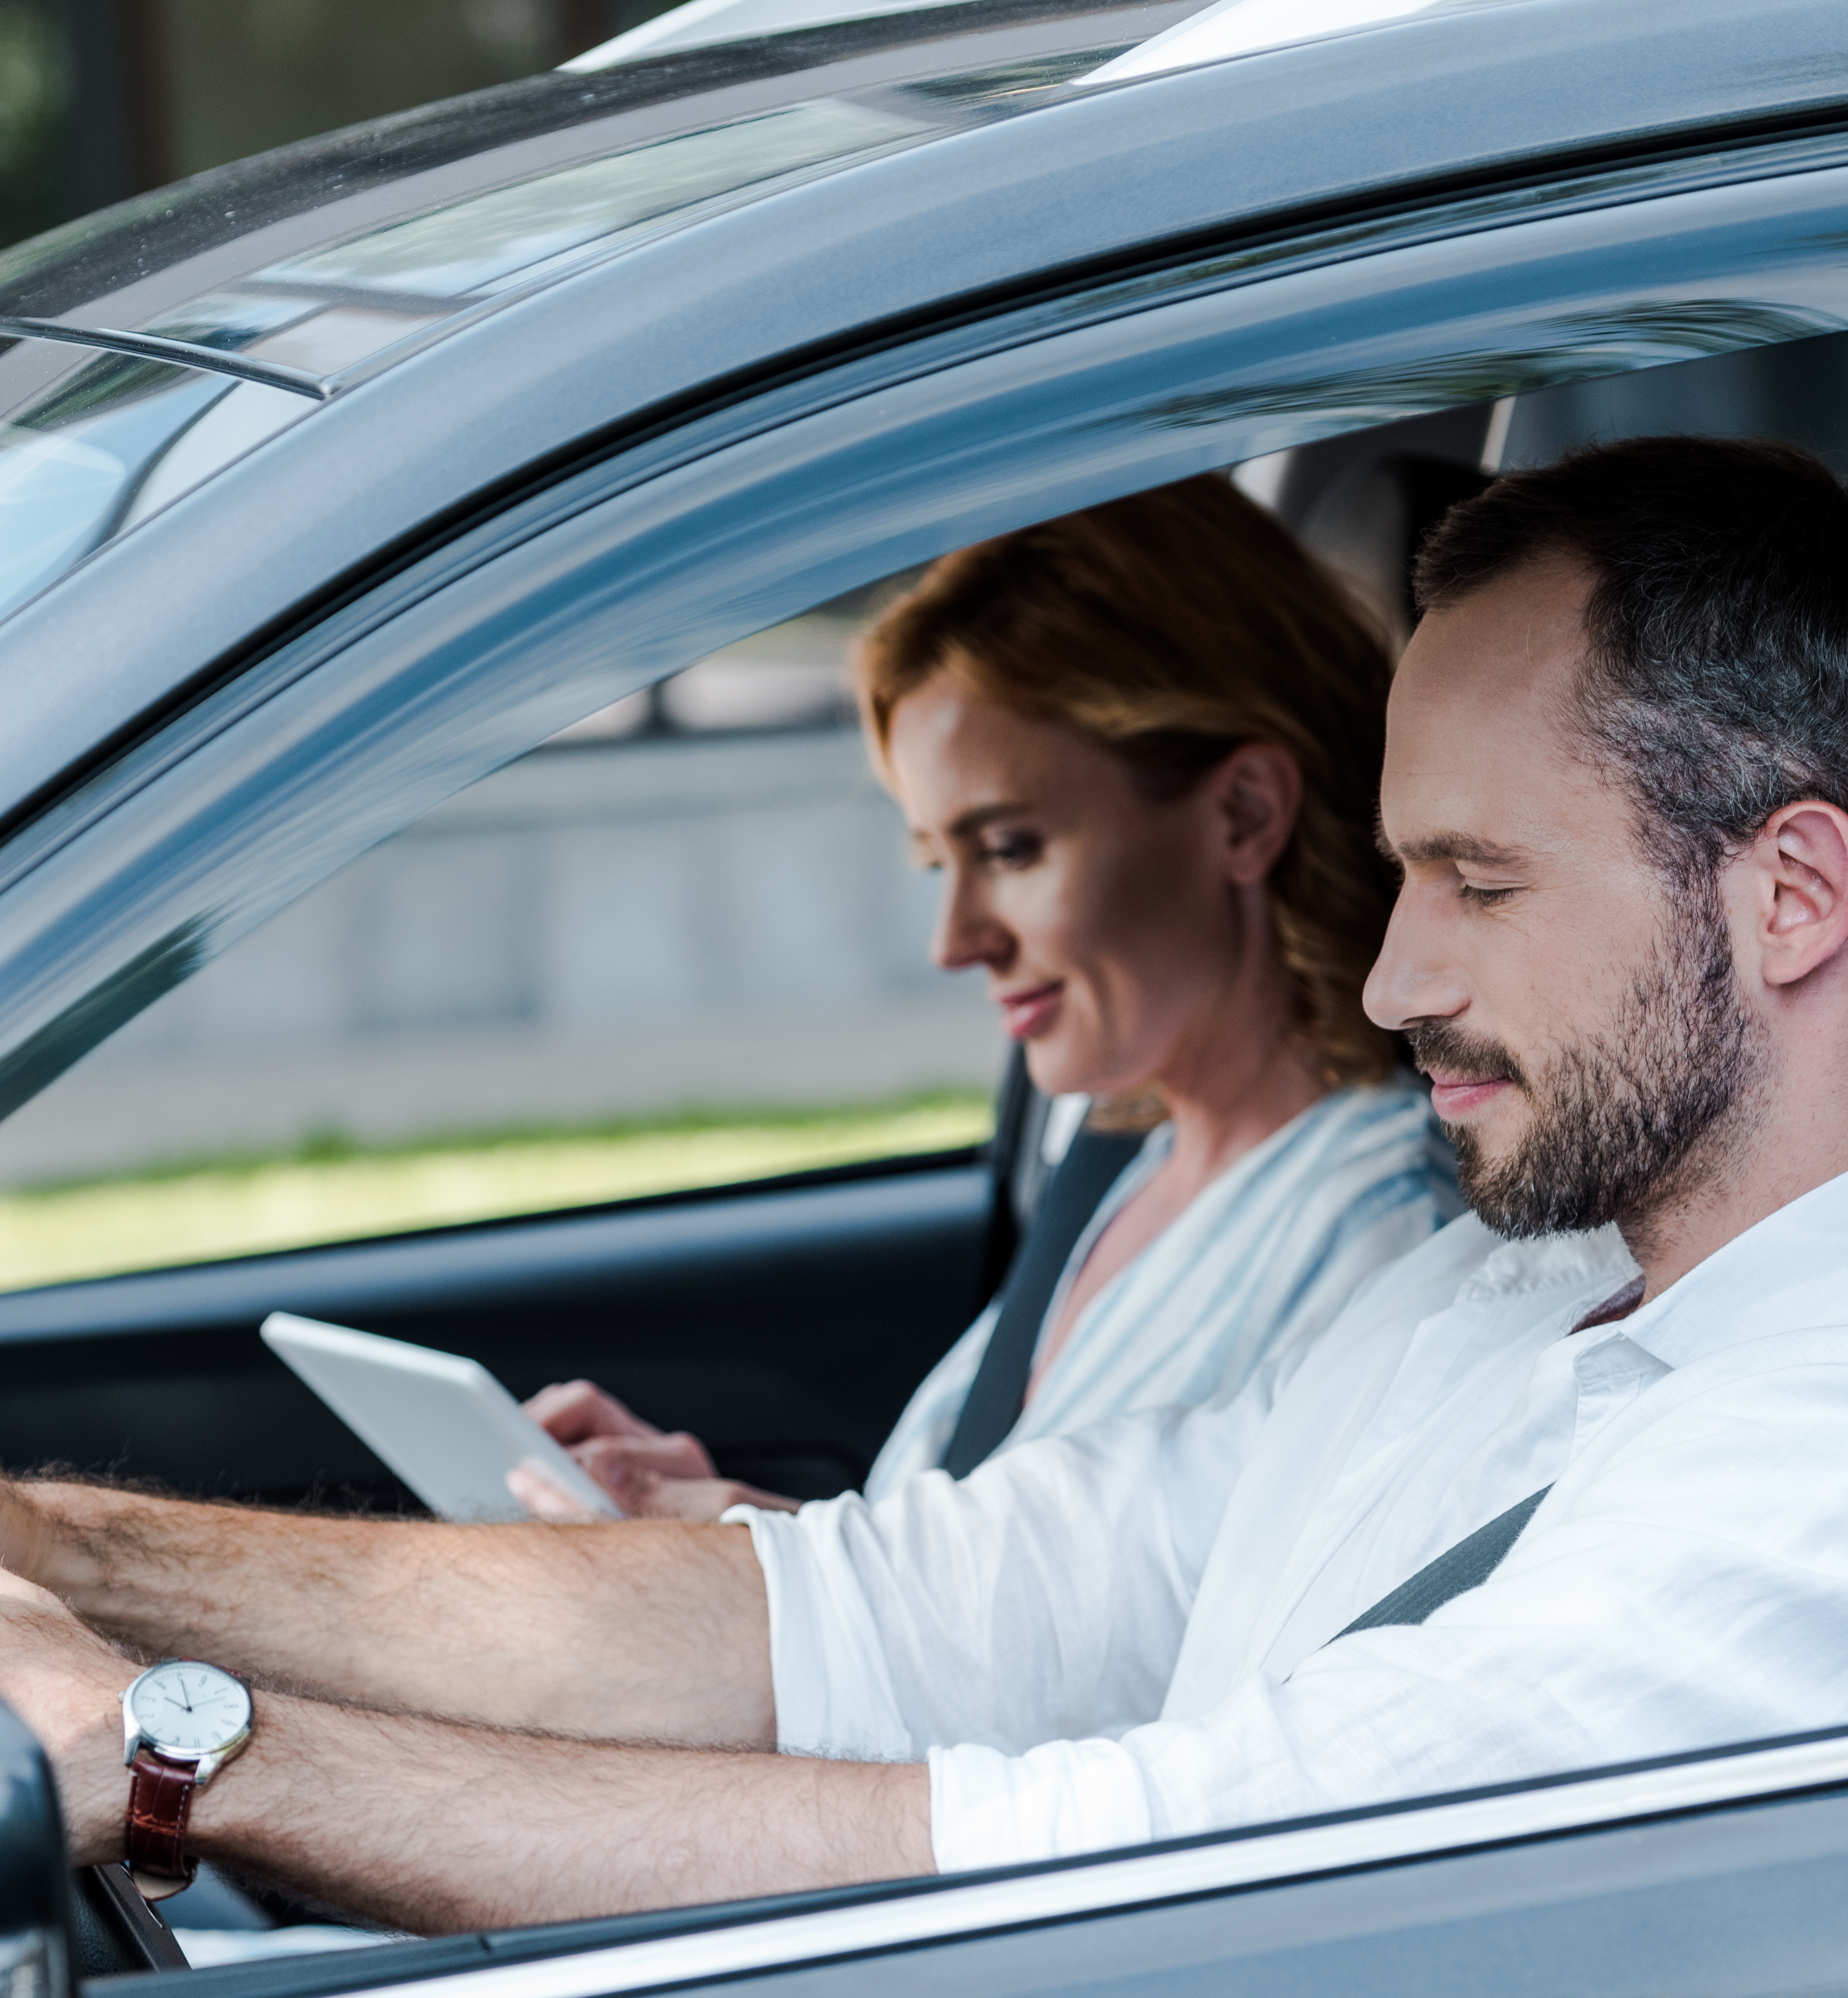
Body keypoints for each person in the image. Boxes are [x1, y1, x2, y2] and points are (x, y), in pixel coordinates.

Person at [0, 437, 1848, 1938]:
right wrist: (65, 1549)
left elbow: (1138, 1865)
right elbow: (869, 1612)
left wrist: (158, 1750)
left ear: (1785, 895)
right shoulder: (1508, 1305)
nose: (1387, 965)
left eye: (1470, 877)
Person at [514, 479, 1456, 1523]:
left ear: (1241, 812)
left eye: (1009, 849)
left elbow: (1192, 1670)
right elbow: (1000, 1602)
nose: (954, 941)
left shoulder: (1388, 1245)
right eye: (938, 862)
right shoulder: (1137, 1164)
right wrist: (717, 1515)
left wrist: (734, 1562)